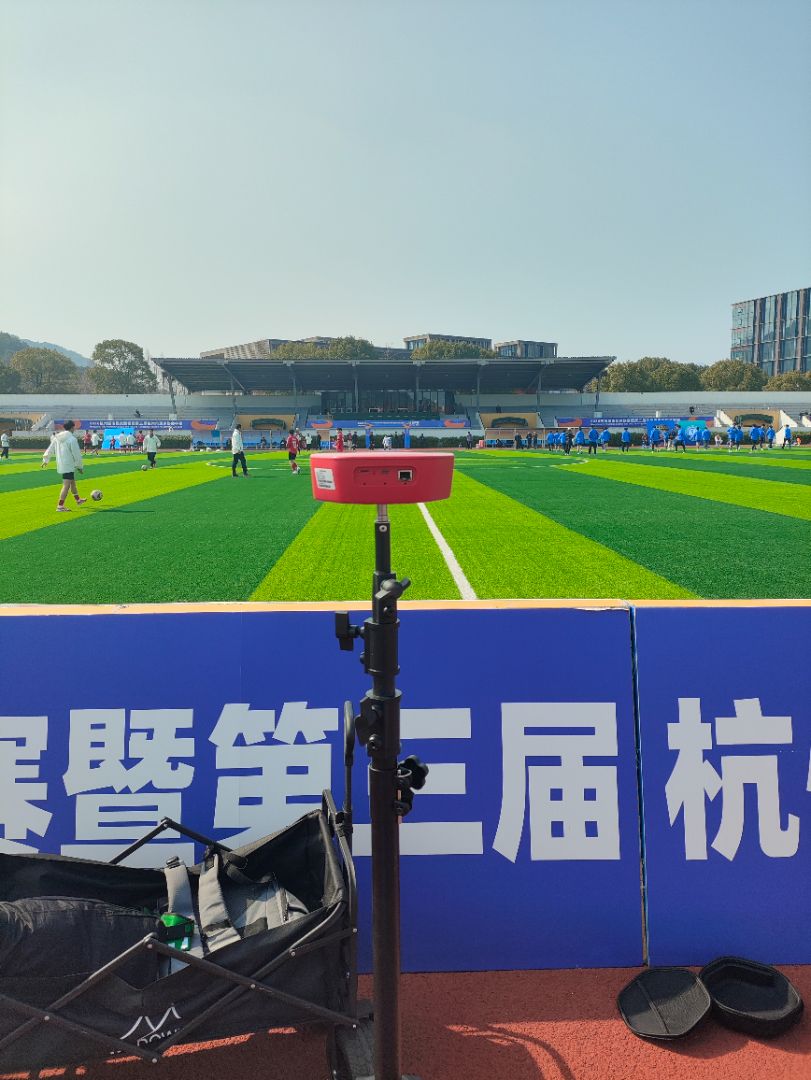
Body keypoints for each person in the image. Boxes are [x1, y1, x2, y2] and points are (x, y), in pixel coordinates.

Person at [42, 420, 86, 512]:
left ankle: (78, 500)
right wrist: (80, 467)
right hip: (69, 465)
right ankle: (60, 506)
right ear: (72, 428)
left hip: (62, 464)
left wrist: (45, 460)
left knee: (72, 482)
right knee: (66, 485)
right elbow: (76, 454)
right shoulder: (72, 439)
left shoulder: (57, 437)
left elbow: (50, 448)